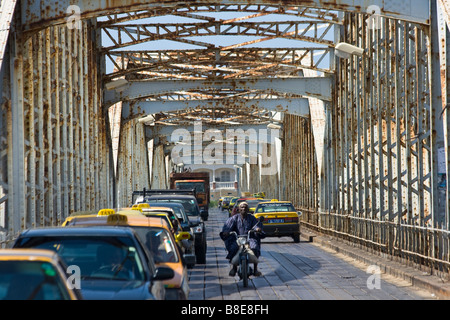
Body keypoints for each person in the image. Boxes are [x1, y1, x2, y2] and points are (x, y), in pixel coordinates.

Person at [220, 201, 265, 277]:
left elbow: (256, 226)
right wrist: (226, 232)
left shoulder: (252, 218)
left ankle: (255, 269)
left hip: (249, 238)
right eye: (242, 207)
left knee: (255, 247)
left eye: (245, 207)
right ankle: (234, 268)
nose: (243, 208)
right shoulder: (234, 218)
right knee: (233, 248)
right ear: (238, 209)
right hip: (237, 238)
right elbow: (228, 226)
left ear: (248, 209)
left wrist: (257, 229)